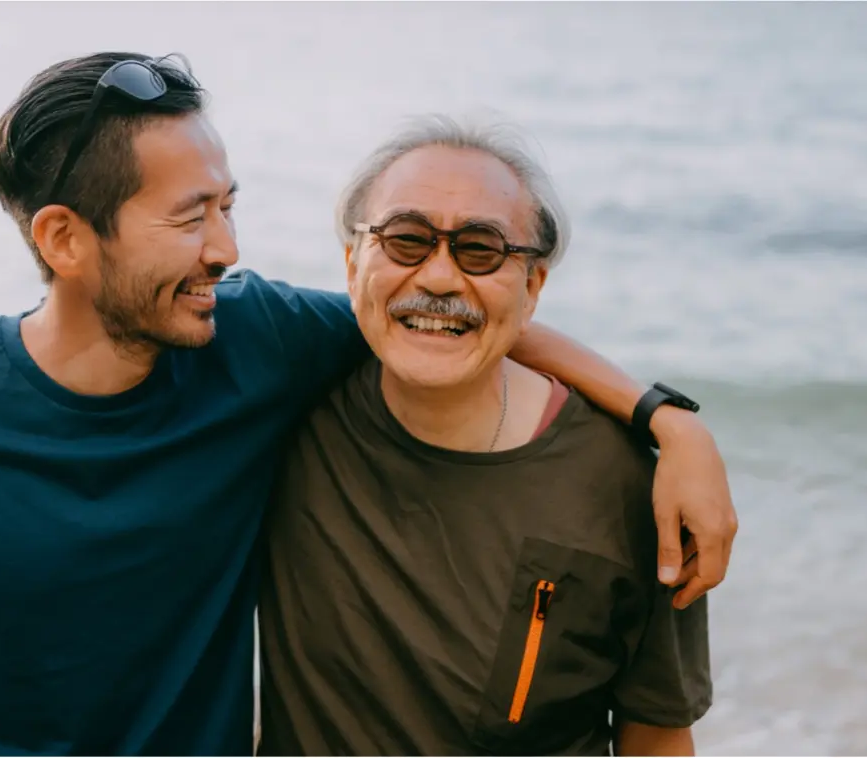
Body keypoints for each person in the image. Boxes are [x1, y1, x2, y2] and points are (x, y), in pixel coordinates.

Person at [0, 51, 735, 756]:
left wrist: (664, 418)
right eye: (192, 217)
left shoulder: (252, 339)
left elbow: (441, 308)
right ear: (65, 239)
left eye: (228, 205)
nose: (227, 248)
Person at [257, 116, 711, 757]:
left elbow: (658, 735)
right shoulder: (282, 405)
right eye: (407, 239)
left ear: (533, 287)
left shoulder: (632, 486)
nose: (440, 278)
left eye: (481, 250)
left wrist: (673, 424)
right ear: (354, 259)